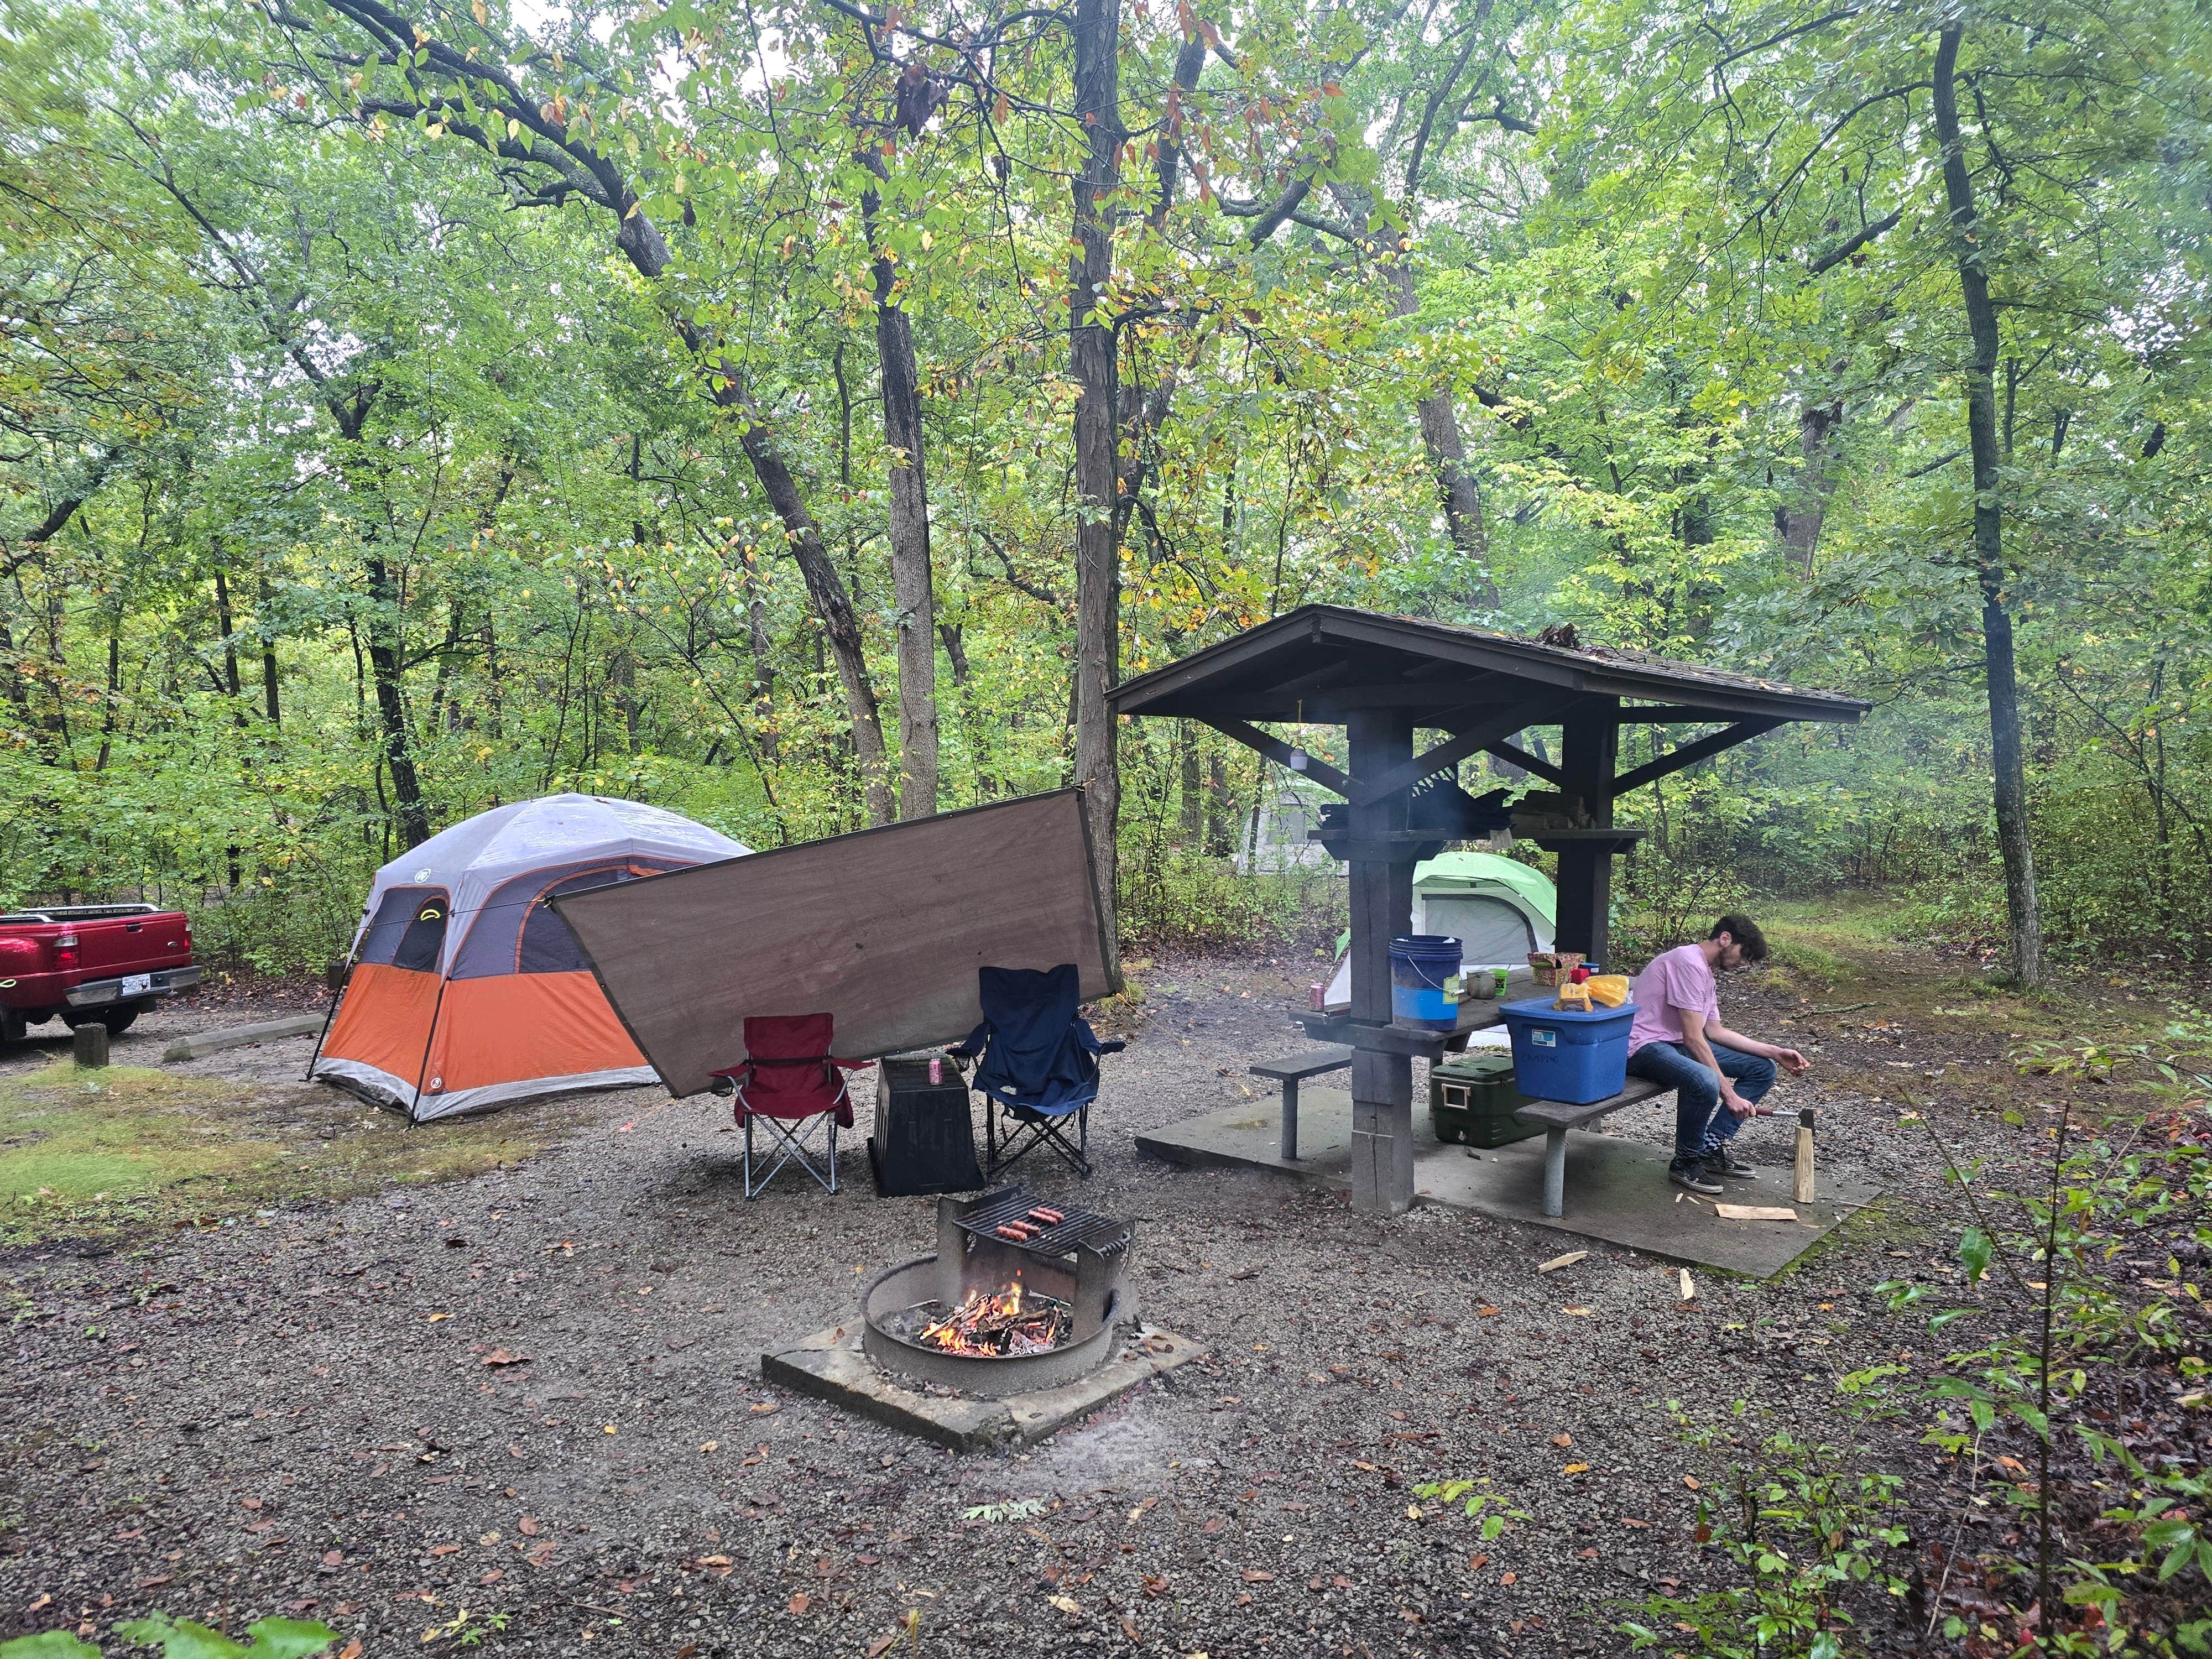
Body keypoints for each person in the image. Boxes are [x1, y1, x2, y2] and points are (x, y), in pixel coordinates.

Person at [1623, 914, 1810, 1196]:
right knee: (1704, 1080)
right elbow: (1693, 1038)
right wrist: (1730, 1094)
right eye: (1744, 954)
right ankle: (1686, 1161)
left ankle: (1709, 1147)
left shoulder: (1705, 973)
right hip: (1644, 1048)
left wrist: (1776, 1052)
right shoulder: (1686, 962)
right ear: (1725, 939)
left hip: (1675, 1045)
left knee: (1762, 1068)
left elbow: (1715, 1031)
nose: (1744, 964)